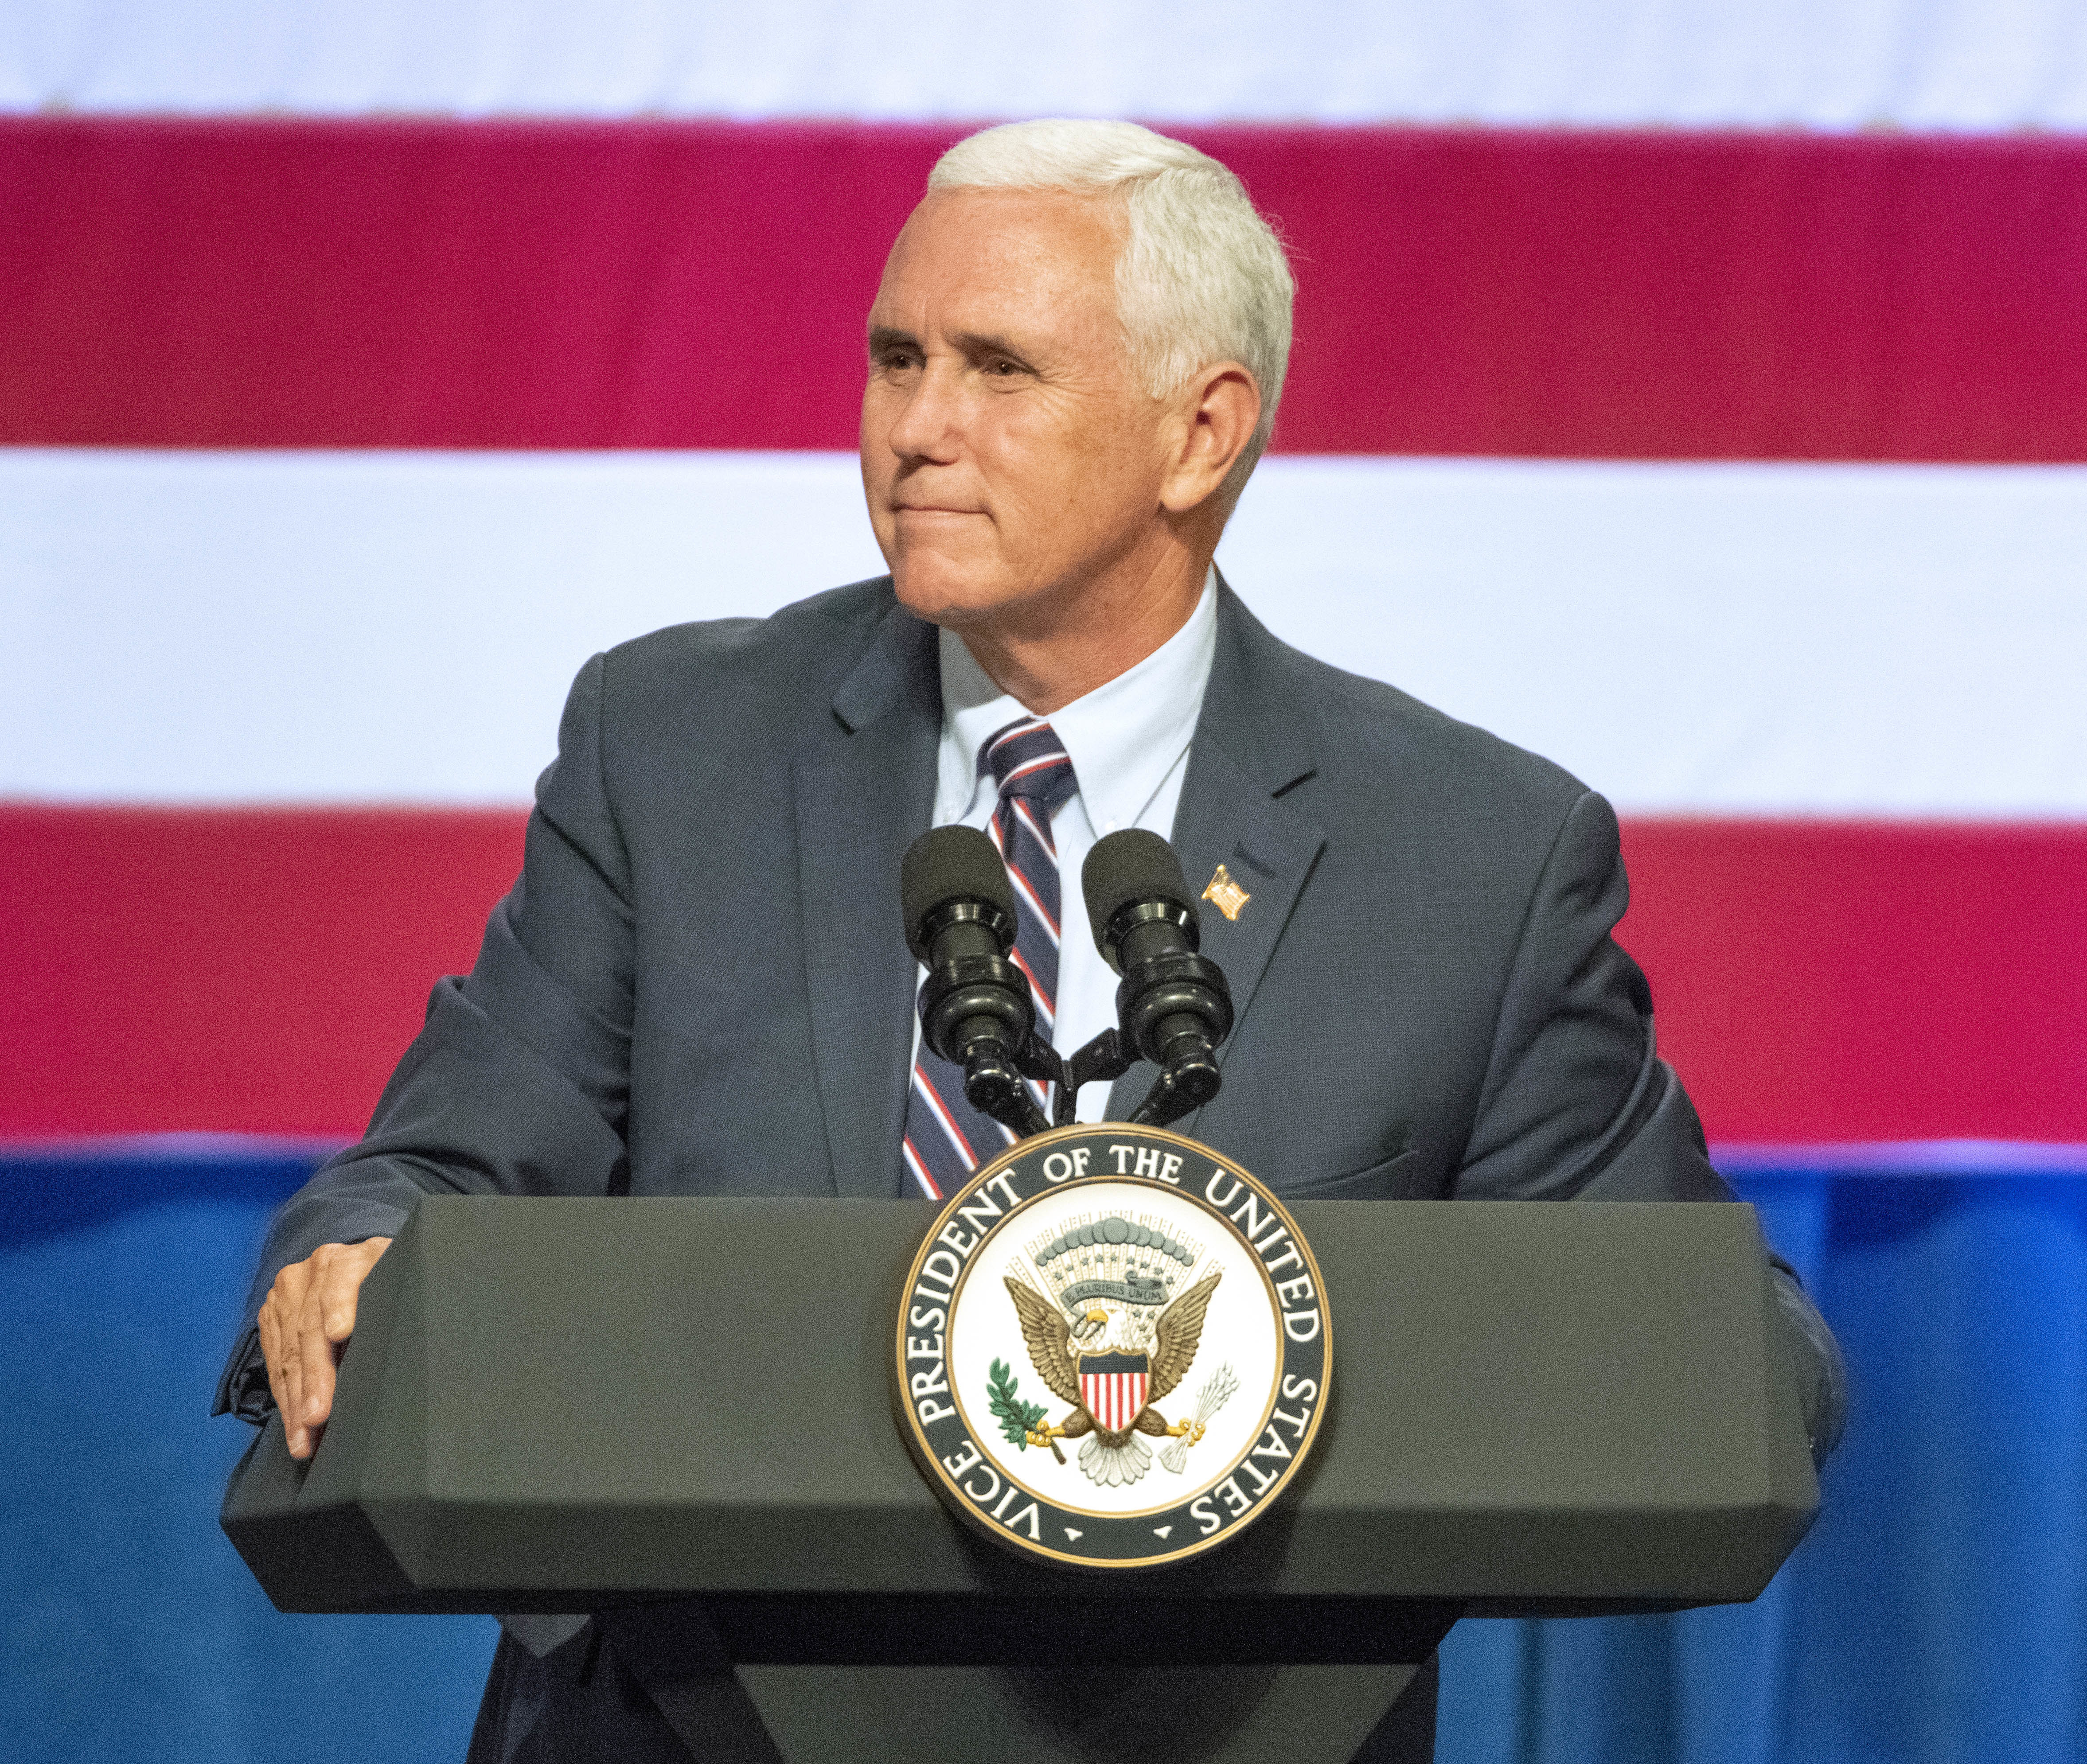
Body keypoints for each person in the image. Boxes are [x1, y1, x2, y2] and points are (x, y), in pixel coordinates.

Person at [217, 119, 1844, 1762]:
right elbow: (440, 1168)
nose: (917, 429)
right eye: (895, 357)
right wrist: (354, 1256)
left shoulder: (1474, 856)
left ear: (1200, 435)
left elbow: (1736, 1358)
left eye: (1000, 370)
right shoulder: (676, 744)